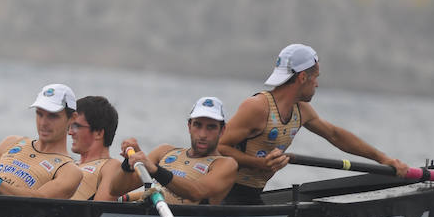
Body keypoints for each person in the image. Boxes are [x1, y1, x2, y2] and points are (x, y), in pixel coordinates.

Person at [218, 43, 408, 204]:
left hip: (250, 196)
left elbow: (335, 135)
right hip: (222, 193)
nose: (316, 84)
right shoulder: (258, 107)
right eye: (315, 77)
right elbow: (219, 146)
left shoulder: (301, 110)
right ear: (302, 77)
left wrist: (383, 159)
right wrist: (259, 163)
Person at [109, 97, 239, 205]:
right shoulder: (164, 152)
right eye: (198, 125)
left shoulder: (225, 164)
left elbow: (197, 192)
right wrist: (128, 163)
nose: (203, 134)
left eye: (211, 127)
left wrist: (155, 171)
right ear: (189, 126)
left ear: (222, 131)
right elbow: (116, 190)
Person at [0, 83, 82, 198]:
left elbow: (39, 198)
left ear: (73, 118)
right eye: (39, 114)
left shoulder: (70, 171)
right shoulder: (11, 142)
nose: (43, 123)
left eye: (53, 116)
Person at [69, 95, 121, 200]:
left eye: (76, 126)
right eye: (69, 126)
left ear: (98, 133)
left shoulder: (111, 166)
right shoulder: (70, 164)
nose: (70, 132)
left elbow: (100, 207)